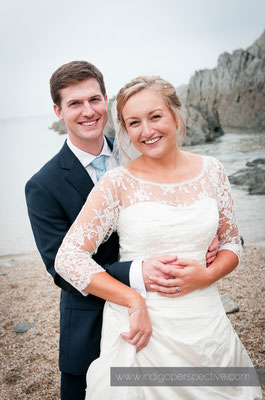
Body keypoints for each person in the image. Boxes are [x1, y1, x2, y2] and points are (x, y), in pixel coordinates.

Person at [55, 75, 262, 399]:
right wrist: (133, 300)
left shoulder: (213, 171)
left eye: (155, 116)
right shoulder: (116, 184)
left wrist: (206, 275)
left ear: (177, 113)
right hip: (142, 328)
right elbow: (68, 258)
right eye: (134, 122)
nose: (147, 131)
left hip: (205, 322)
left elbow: (232, 242)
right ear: (124, 129)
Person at [25, 63, 219, 400]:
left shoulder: (140, 148)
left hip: (171, 314)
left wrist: (205, 231)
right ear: (58, 111)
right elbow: (62, 269)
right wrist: (135, 273)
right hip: (91, 321)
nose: (88, 111)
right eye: (74, 104)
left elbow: (189, 199)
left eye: (95, 99)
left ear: (106, 99)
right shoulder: (43, 185)